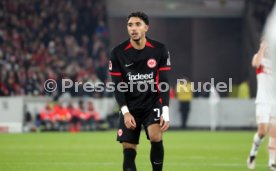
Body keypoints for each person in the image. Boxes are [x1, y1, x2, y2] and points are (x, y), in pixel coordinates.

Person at [109, 11, 171, 171]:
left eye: (138, 24)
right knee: (128, 148)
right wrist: (125, 112)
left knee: (156, 136)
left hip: (152, 103)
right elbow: (117, 85)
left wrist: (165, 111)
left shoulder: (159, 49)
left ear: (146, 28)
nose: (133, 28)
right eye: (130, 25)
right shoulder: (117, 53)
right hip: (130, 106)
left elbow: (163, 81)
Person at [247, 38, 276, 170]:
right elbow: (255, 63)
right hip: (262, 101)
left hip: (274, 101)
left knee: (274, 132)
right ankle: (253, 153)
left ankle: (272, 163)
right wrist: (262, 48)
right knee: (262, 131)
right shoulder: (260, 58)